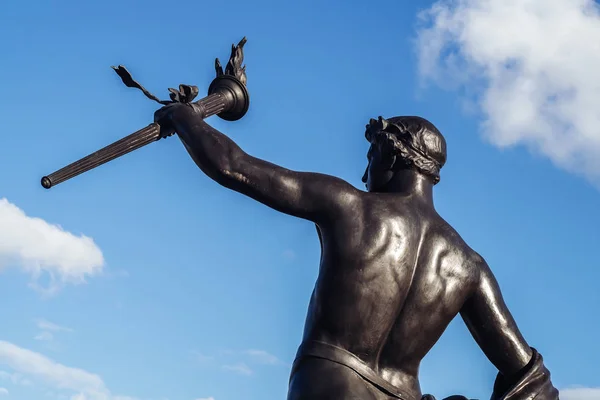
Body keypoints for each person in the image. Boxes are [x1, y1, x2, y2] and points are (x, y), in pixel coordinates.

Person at [154, 104, 558, 400]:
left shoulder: (350, 205)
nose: (364, 174)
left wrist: (183, 117)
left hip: (329, 386)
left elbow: (233, 165)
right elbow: (531, 378)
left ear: (393, 153)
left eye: (370, 156)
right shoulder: (469, 267)